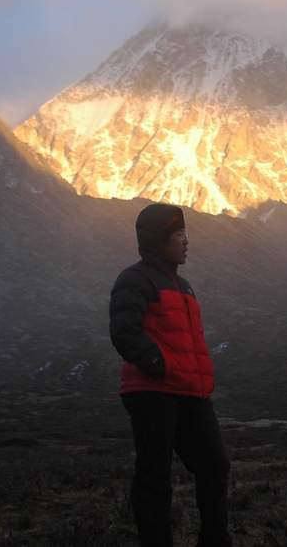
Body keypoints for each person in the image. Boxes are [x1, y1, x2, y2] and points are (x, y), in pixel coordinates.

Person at [109, 203, 232, 547]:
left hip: (190, 394)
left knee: (215, 466)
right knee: (154, 478)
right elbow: (124, 332)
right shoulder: (134, 279)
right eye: (179, 235)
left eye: (185, 233)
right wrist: (159, 366)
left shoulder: (184, 285)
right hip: (153, 393)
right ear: (159, 241)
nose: (186, 241)